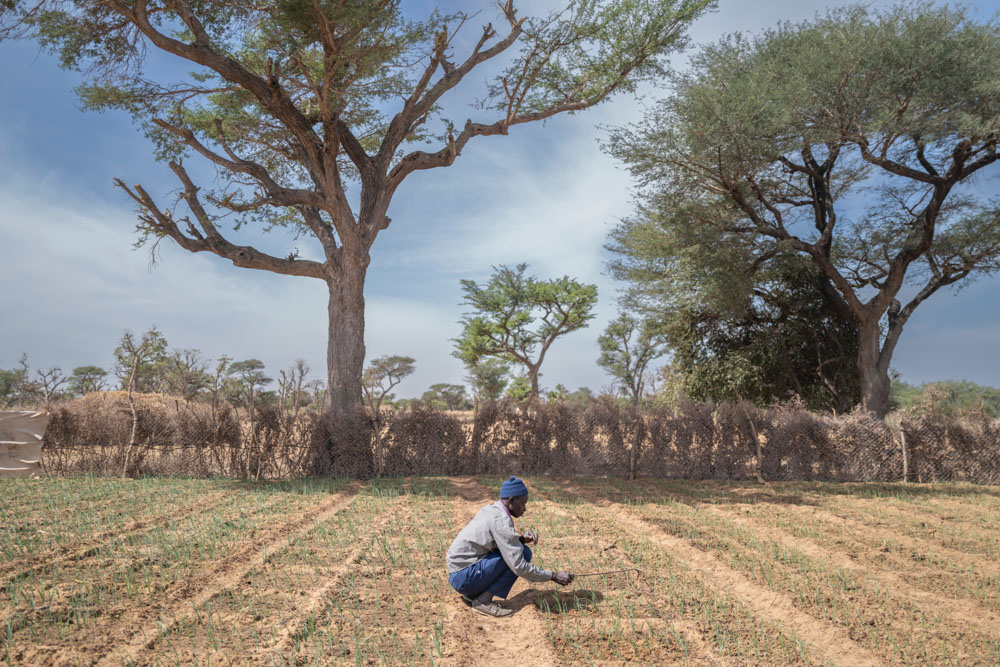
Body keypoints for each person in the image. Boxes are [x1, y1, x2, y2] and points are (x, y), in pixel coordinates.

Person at [446, 476, 574, 617]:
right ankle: (483, 601)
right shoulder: (500, 521)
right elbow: (519, 566)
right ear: (512, 500)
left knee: (520, 549)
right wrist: (553, 576)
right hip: (464, 578)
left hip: (461, 574)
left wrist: (519, 539)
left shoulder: (493, 510)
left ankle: (473, 595)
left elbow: (497, 541)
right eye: (523, 503)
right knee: (523, 554)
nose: (524, 509)